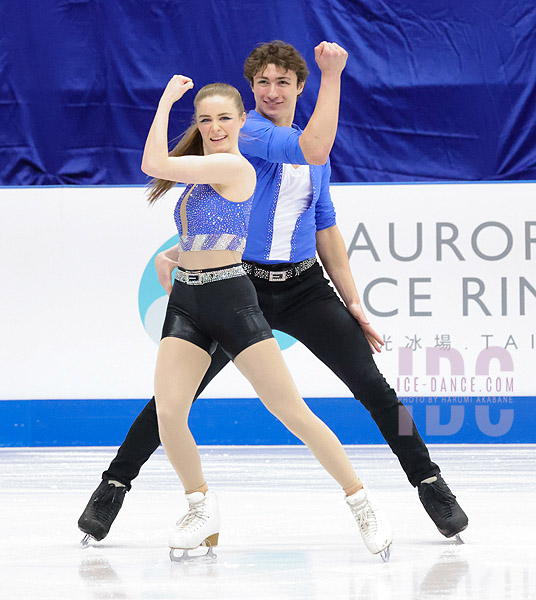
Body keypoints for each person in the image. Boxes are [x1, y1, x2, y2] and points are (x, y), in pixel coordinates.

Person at [78, 40, 467, 549]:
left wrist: (351, 301)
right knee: (173, 398)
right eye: (262, 82)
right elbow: (301, 155)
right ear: (251, 91)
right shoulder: (252, 134)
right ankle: (114, 484)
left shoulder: (311, 146)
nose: (272, 91)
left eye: (283, 82)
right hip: (243, 286)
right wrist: (334, 75)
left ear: (298, 87)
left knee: (376, 390)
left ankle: (430, 481)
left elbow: (324, 224)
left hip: (307, 287)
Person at [121, 72, 392, 559]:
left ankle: (361, 500)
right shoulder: (203, 171)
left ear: (243, 122)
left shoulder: (235, 166)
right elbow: (207, 235)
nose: (215, 126)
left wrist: (165, 99)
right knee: (168, 412)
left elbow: (151, 161)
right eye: (205, 119)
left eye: (225, 117)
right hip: (187, 301)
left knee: (291, 412)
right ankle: (200, 505)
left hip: (230, 300)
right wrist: (173, 261)